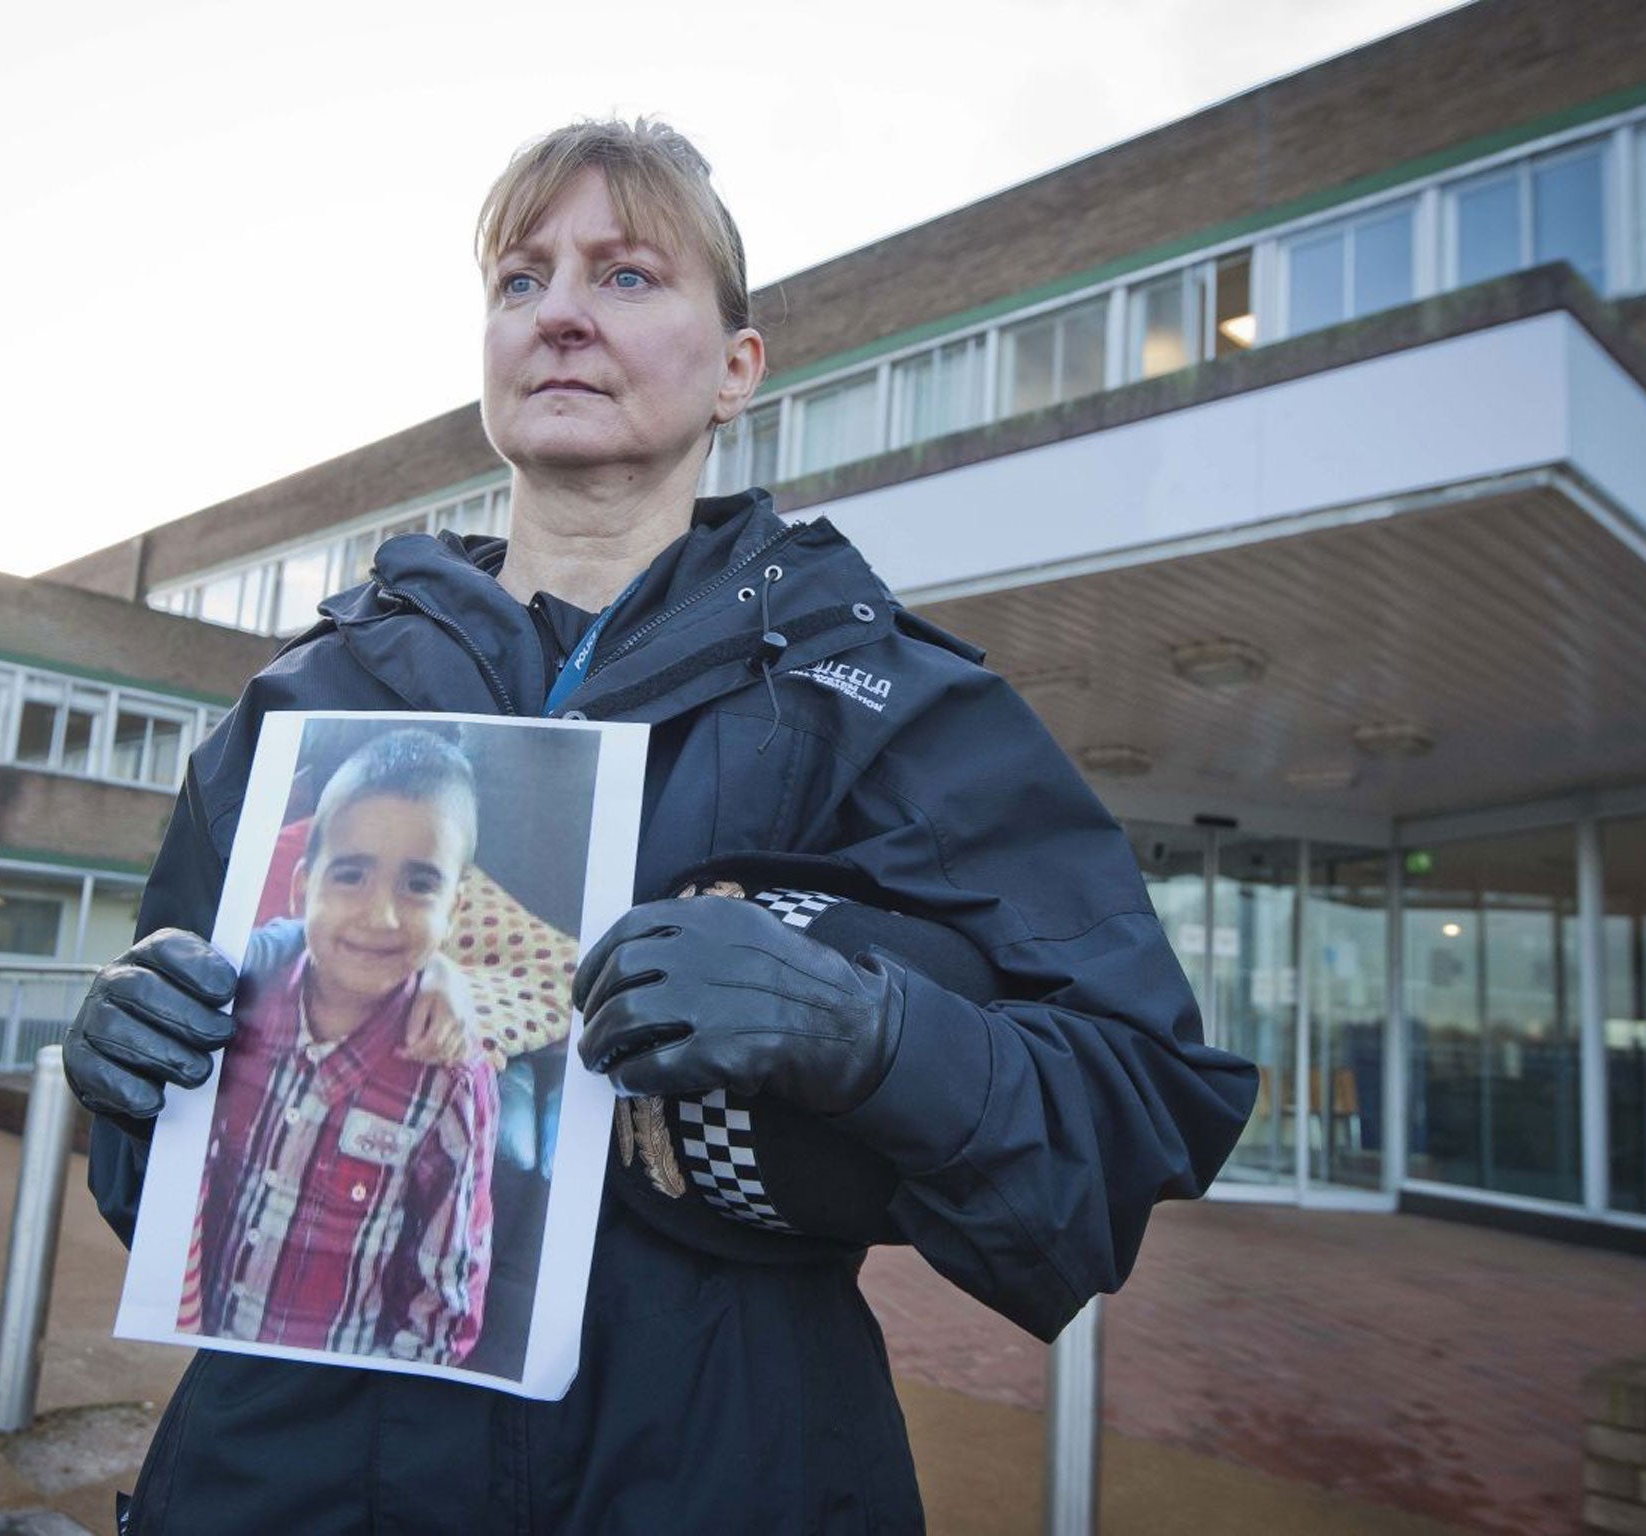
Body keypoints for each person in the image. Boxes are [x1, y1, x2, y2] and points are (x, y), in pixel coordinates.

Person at [64, 118, 1257, 1533]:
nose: (559, 310)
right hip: (291, 1485)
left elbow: (1137, 1098)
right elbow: (164, 1193)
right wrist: (131, 1077)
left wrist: (869, 1035)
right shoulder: (304, 703)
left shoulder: (883, 702)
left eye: (627, 275)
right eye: (521, 280)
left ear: (738, 366)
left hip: (719, 1476)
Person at [181, 728, 496, 1365]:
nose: (380, 916)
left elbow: (444, 1298)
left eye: (419, 885)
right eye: (350, 876)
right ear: (303, 889)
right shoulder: (243, 1004)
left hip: (342, 1398)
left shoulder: (450, 1081)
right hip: (213, 1358)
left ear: (455, 910)